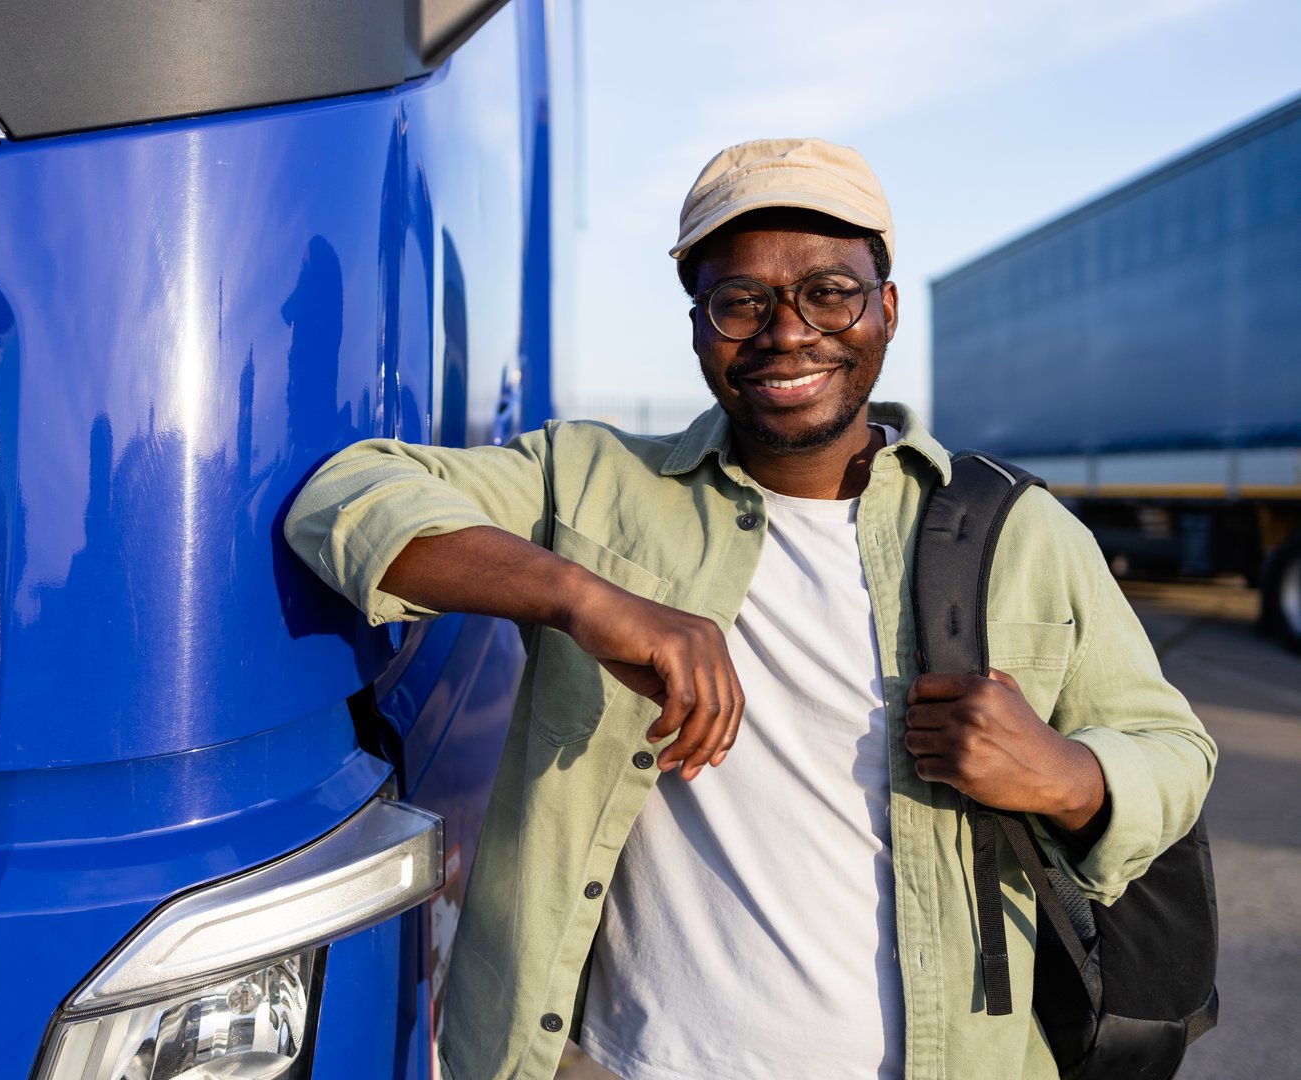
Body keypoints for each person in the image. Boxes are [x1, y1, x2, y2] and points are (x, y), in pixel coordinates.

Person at [284, 138, 1214, 1080]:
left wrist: (1065, 775)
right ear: (699, 328)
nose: (787, 331)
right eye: (741, 301)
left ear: (884, 310)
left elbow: (1174, 749)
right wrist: (585, 600)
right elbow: (346, 495)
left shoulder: (1019, 533)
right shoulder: (594, 483)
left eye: (829, 291)